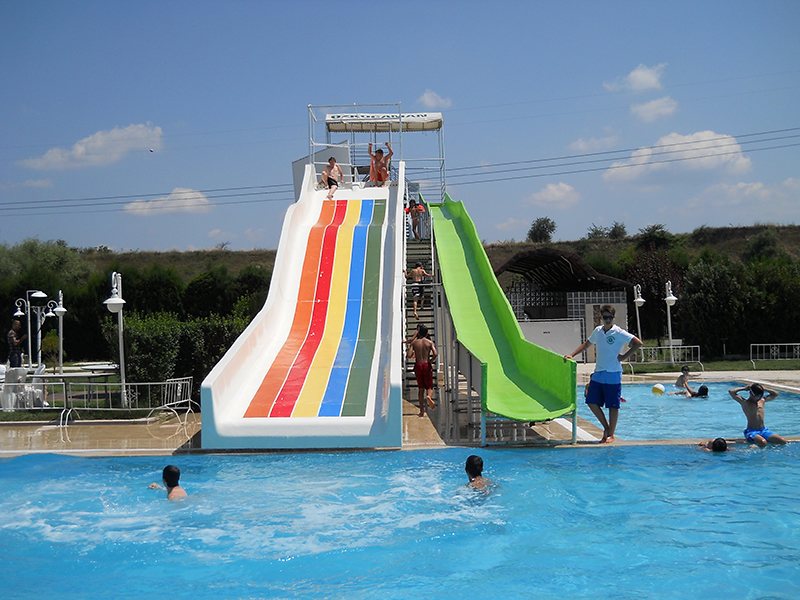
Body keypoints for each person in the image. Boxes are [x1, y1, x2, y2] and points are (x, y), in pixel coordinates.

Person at [564, 305, 642, 443]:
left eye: (610, 317)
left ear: (613, 317)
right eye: (605, 317)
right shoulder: (598, 331)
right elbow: (586, 344)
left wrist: (624, 357)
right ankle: (606, 428)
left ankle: (611, 434)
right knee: (591, 401)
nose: (607, 320)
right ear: (601, 317)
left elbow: (638, 343)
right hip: (599, 371)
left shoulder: (619, 332)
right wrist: (572, 354)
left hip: (613, 373)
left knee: (613, 406)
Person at [406, 323, 437, 417]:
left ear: (418, 333)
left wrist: (412, 348)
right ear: (427, 333)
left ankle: (421, 411)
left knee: (420, 388)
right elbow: (435, 354)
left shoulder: (414, 343)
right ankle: (429, 396)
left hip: (418, 365)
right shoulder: (429, 342)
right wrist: (430, 361)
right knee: (429, 387)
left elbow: (409, 355)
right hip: (426, 364)